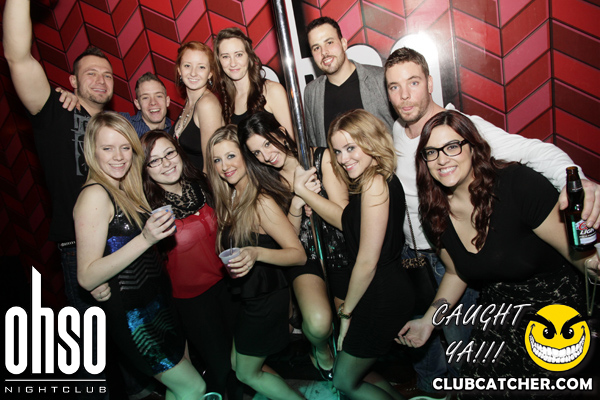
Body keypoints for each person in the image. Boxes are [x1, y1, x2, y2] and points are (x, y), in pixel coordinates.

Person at [384, 47, 600, 393]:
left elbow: (583, 258)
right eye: (394, 86)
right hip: (496, 306)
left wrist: (578, 183)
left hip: (554, 308)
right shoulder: (432, 207)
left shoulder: (514, 185)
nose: (443, 159)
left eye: (453, 147)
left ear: (473, 147)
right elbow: (456, 271)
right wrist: (428, 322)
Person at [2, 3, 160, 399]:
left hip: (129, 242)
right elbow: (17, 55)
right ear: (71, 80)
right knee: (96, 349)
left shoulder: (118, 126)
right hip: (80, 250)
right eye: (91, 73)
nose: (101, 80)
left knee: (140, 337)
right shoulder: (53, 111)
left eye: (107, 74)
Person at [74, 112, 206, 399]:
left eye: (125, 147)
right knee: (194, 387)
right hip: (134, 317)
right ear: (92, 151)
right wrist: (146, 239)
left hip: (158, 301)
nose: (118, 156)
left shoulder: (125, 187)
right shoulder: (95, 195)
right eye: (107, 148)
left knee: (179, 388)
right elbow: (86, 276)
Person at [239, 111, 351, 379]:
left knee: (351, 330)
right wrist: (297, 205)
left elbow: (343, 220)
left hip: (341, 250)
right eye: (257, 153)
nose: (266, 156)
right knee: (318, 324)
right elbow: (289, 239)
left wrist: (306, 194)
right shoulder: (268, 182)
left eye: (267, 143)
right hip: (306, 257)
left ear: (280, 132)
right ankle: (319, 349)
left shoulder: (321, 158)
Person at [206, 125, 307, 400]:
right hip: (249, 298)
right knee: (239, 365)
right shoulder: (230, 196)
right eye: (217, 160)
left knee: (246, 372)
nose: (225, 166)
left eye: (231, 156)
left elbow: (298, 254)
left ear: (245, 156)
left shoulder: (260, 201)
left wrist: (256, 253)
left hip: (266, 300)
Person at [141, 130, 242, 399]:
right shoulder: (148, 209)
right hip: (192, 301)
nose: (166, 163)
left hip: (229, 285)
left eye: (169, 153)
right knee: (220, 365)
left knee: (240, 360)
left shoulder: (203, 184)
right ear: (145, 169)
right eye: (154, 160)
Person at [328, 109, 408, 400]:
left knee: (344, 381)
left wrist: (346, 313)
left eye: (351, 148)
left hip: (381, 295)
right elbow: (349, 223)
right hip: (376, 292)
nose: (343, 158)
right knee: (357, 373)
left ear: (371, 142)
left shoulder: (374, 183)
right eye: (338, 151)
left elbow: (367, 261)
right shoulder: (373, 179)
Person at [304, 16, 395, 147]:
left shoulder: (380, 79)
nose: (324, 52)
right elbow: (314, 145)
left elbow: (400, 132)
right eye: (316, 48)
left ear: (343, 44)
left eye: (329, 42)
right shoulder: (311, 92)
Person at [214, 27, 294, 136]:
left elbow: (293, 139)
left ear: (249, 56)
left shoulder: (272, 90)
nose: (233, 63)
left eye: (238, 55)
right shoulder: (225, 100)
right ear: (219, 61)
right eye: (225, 56)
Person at [172, 41, 223, 172]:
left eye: (201, 67)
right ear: (179, 70)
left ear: (210, 73)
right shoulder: (190, 102)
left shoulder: (207, 104)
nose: (193, 73)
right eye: (187, 66)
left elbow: (210, 166)